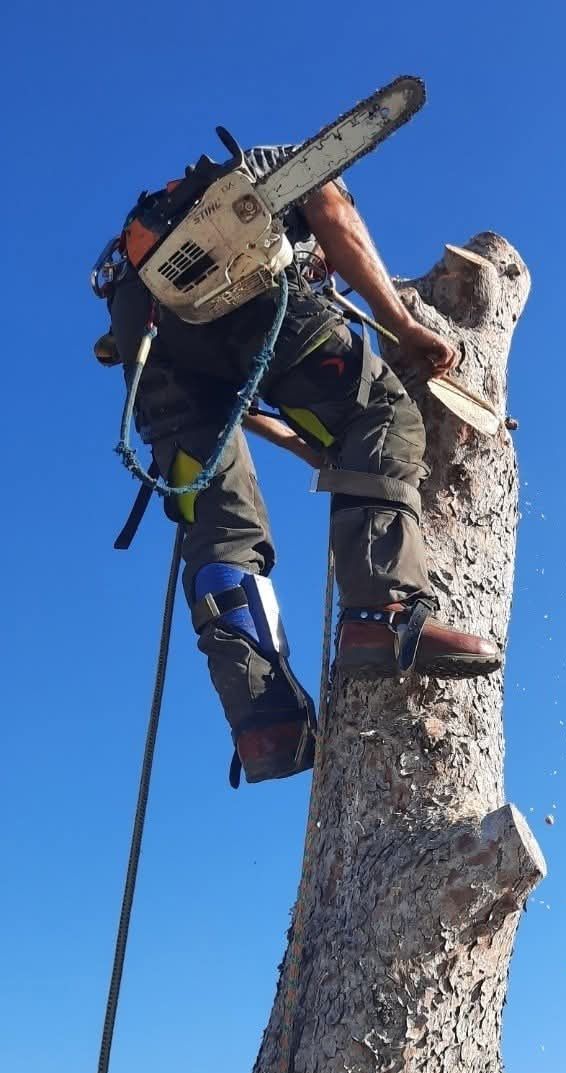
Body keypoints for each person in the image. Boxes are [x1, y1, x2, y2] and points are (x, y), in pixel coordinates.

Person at [106, 144, 502, 787]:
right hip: (242, 304)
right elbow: (328, 206)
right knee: (381, 411)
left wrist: (300, 443)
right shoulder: (279, 166)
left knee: (222, 537)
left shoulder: (159, 252)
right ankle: (384, 615)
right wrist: (398, 322)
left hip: (144, 333)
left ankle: (267, 722)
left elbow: (230, 400)